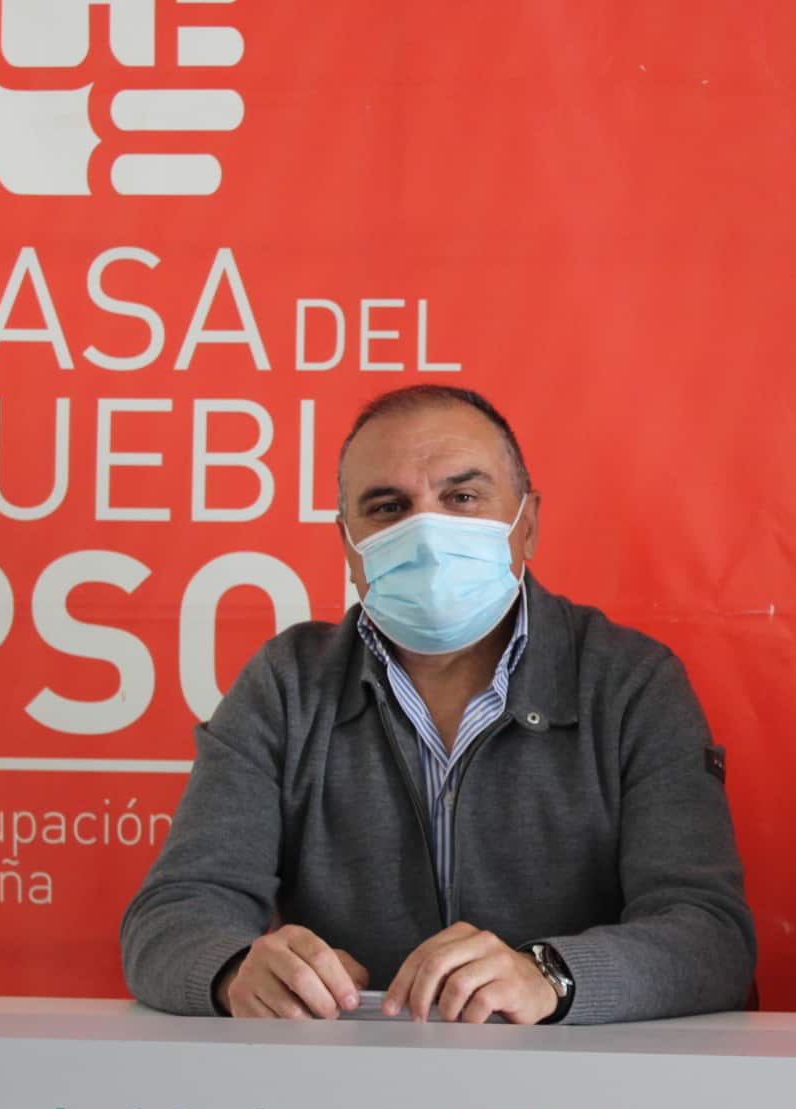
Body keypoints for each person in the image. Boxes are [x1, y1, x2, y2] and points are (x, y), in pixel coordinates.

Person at [121, 385, 755, 1025]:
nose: (426, 532)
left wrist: (551, 976)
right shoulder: (286, 686)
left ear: (527, 522)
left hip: (576, 1094)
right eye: (389, 506)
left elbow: (709, 936)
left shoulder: (631, 685)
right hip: (344, 1091)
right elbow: (173, 915)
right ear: (349, 545)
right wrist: (235, 970)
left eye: (462, 497)